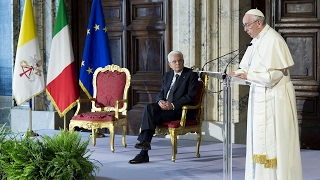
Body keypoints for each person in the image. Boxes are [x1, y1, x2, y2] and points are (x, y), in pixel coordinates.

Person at [229, 9, 303, 180]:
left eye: (247, 25)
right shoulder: (256, 41)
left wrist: (247, 76)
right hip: (259, 96)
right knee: (258, 141)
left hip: (276, 99)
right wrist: (237, 73)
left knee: (276, 142)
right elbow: (246, 67)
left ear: (259, 23)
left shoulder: (274, 40)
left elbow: (273, 77)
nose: (245, 29)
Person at [129, 50, 199, 164]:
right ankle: (144, 147)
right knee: (149, 108)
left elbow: (190, 96)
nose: (177, 63)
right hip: (165, 108)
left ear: (183, 61)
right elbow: (161, 92)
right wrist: (160, 101)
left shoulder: (191, 75)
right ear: (169, 64)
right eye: (174, 61)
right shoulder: (167, 75)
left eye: (180, 60)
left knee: (149, 117)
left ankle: (143, 153)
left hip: (179, 111)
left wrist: (172, 105)